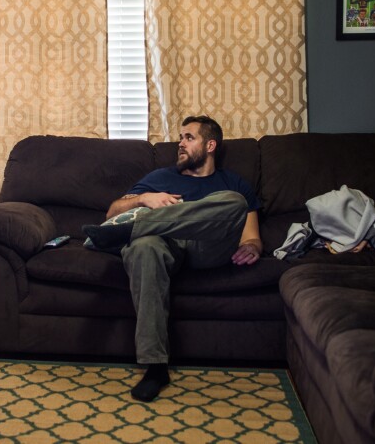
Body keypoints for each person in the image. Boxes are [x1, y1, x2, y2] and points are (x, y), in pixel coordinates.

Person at [83, 115, 262, 402]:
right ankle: (155, 367)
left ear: (211, 144)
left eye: (189, 137)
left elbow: (251, 236)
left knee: (234, 202)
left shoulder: (233, 182)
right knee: (143, 248)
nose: (180, 143)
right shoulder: (159, 178)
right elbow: (112, 213)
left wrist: (253, 247)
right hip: (166, 247)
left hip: (209, 248)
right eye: (181, 137)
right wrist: (144, 200)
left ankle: (136, 229)